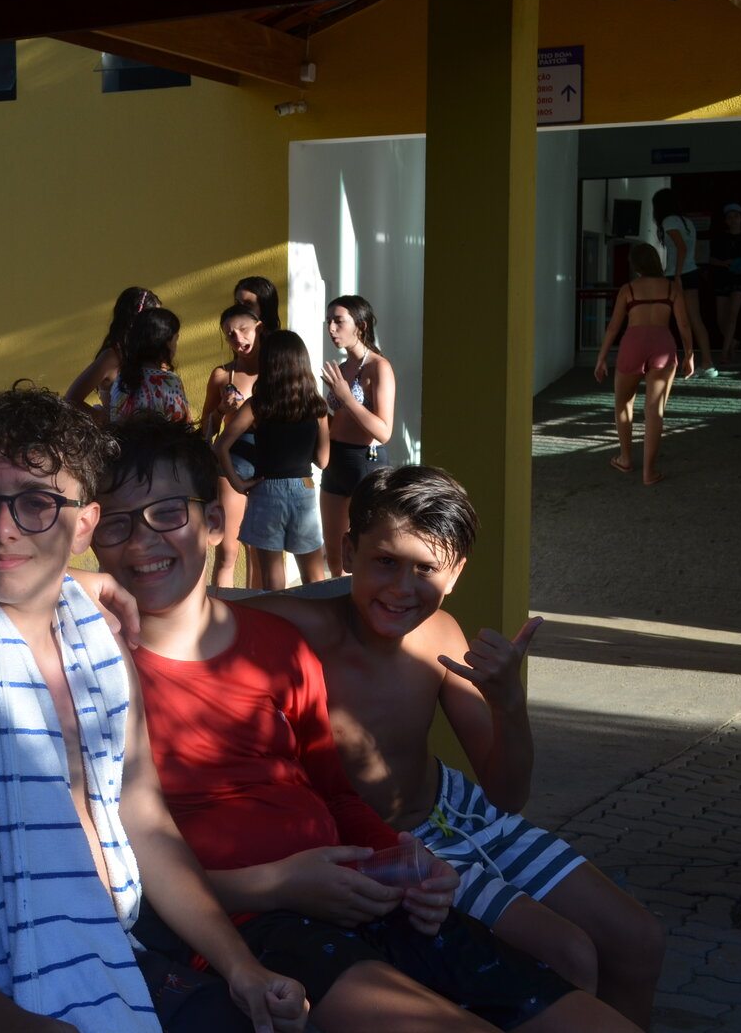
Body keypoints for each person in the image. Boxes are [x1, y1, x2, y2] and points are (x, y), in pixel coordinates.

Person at [93, 416, 639, 1033]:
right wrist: (280, 884)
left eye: (167, 514)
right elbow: (129, 864)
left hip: (367, 885)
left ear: (215, 522)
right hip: (255, 923)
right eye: (116, 523)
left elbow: (336, 792)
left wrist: (411, 864)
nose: (141, 542)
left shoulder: (280, 644)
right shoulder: (91, 670)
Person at [0, 386, 308, 1033]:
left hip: (109, 953)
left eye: (36, 503)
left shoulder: (97, 639)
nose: (2, 529)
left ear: (84, 524)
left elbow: (143, 819)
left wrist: (240, 966)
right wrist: (0, 1021)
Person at [249, 467, 665, 1029]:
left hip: (461, 809)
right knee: (569, 953)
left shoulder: (441, 631)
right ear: (348, 551)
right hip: (393, 845)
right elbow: (191, 613)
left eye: (425, 569)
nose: (402, 588)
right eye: (385, 561)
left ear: (456, 573)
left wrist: (508, 703)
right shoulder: (295, 627)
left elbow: (507, 794)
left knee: (638, 940)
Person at [214, 330, 329, 591]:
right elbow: (323, 460)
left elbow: (221, 446)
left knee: (272, 580)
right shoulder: (317, 406)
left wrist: (238, 483)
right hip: (303, 489)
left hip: (265, 489)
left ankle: (277, 616)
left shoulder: (258, 405)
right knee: (314, 577)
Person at [593, 243, 694, 486]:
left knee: (623, 403)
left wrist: (601, 358)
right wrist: (689, 354)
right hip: (662, 346)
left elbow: (613, 327)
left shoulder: (628, 289)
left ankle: (625, 458)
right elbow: (683, 324)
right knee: (654, 410)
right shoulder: (672, 288)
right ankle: (649, 472)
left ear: (635, 265)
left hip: (632, 345)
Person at [317, 296, 395, 577]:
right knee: (335, 554)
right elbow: (340, 419)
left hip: (365, 461)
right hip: (335, 459)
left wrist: (347, 398)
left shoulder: (378, 367)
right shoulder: (342, 368)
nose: (331, 328)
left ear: (360, 326)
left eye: (338, 321)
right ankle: (338, 601)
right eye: (329, 321)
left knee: (365, 549)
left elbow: (384, 431)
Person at [199, 305, 265, 589]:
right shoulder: (223, 375)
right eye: (230, 334)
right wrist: (221, 411)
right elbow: (206, 428)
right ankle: (221, 608)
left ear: (259, 328)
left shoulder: (276, 372)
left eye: (244, 330)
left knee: (260, 551)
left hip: (267, 461)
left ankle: (258, 607)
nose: (238, 339)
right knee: (228, 551)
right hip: (231, 461)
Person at [65, 285, 161, 417]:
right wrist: (108, 421)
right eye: (156, 320)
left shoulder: (152, 357)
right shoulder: (112, 357)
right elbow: (71, 399)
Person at [651, 188, 716, 378]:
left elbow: (681, 248)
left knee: (669, 318)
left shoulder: (668, 221)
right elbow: (688, 249)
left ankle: (673, 360)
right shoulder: (687, 221)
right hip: (690, 271)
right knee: (694, 319)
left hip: (677, 275)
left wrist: (677, 275)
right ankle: (707, 363)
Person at [109, 306, 191, 423]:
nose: (176, 345)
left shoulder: (121, 379)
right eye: (175, 339)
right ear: (164, 343)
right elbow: (182, 424)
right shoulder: (170, 381)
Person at [708, 202, 741, 365]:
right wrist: (724, 263)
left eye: (736, 216)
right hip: (722, 278)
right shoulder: (720, 238)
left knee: (732, 314)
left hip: (740, 279)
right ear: (726, 220)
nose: (733, 220)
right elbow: (711, 259)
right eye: (730, 217)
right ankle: (732, 342)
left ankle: (724, 353)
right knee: (720, 318)